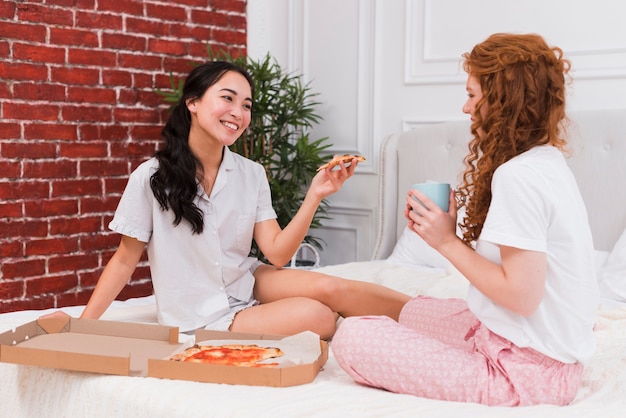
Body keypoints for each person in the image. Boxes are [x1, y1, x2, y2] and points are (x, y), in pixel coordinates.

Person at [331, 33, 599, 406]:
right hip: (533, 350)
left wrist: (445, 242)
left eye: (472, 95)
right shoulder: (546, 162)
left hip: (523, 374)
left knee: (353, 337)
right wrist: (447, 233)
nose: (465, 107)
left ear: (504, 100)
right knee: (412, 310)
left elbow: (521, 296)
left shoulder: (519, 176)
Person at [64, 61, 410, 340]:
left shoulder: (251, 173)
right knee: (317, 315)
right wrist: (83, 324)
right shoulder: (151, 176)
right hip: (200, 314)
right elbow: (125, 259)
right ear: (193, 102)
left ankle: (432, 314)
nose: (239, 112)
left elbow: (276, 253)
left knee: (328, 285)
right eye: (227, 98)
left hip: (246, 279)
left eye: (246, 105)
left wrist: (315, 195)